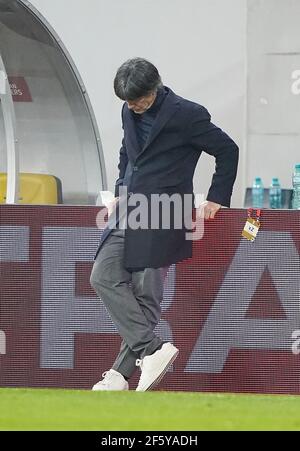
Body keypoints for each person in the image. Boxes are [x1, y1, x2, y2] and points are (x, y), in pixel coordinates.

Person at [90, 58, 239, 391]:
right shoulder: (129, 111)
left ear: (154, 88)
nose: (132, 106)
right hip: (129, 208)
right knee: (102, 275)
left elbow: (227, 150)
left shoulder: (188, 114)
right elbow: (127, 153)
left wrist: (216, 197)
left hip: (164, 211)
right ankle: (153, 349)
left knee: (145, 294)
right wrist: (118, 189)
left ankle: (118, 376)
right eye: (127, 102)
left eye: (138, 99)